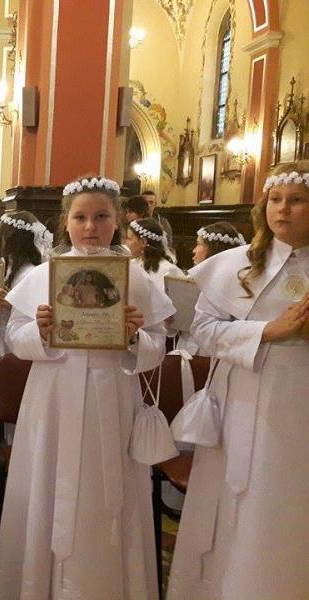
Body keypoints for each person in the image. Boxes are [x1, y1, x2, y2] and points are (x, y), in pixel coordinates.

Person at [0, 175, 175, 600]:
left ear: (118, 221)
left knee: (105, 493)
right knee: (48, 485)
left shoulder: (136, 279)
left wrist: (135, 337)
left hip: (113, 399)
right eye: (80, 218)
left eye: (101, 217)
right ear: (66, 222)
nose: (90, 227)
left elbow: (157, 350)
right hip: (53, 397)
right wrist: (40, 332)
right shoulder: (42, 276)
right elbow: (14, 340)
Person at [167, 162, 309, 600]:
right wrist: (266, 331)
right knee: (247, 492)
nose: (283, 209)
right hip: (246, 396)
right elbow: (204, 331)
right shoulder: (236, 264)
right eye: (275, 200)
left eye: (297, 200)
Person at [0, 211, 52, 444]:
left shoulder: (31, 273)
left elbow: (33, 317)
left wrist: (9, 307)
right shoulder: (7, 267)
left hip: (10, 344)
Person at [125, 218, 184, 290]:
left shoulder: (168, 271)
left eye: (129, 238)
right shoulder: (131, 264)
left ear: (143, 242)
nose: (125, 242)